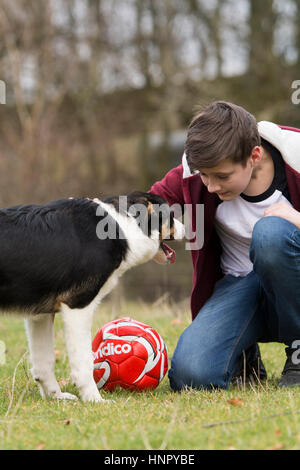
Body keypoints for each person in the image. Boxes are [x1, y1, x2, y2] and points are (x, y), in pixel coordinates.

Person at [149, 101, 300, 391]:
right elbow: (146, 204)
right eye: (205, 175)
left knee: (270, 235)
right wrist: (90, 216)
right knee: (192, 375)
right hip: (238, 287)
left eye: (222, 176)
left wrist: (295, 218)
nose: (211, 186)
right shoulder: (195, 172)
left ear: (254, 156)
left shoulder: (294, 154)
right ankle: (244, 357)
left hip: (293, 279)